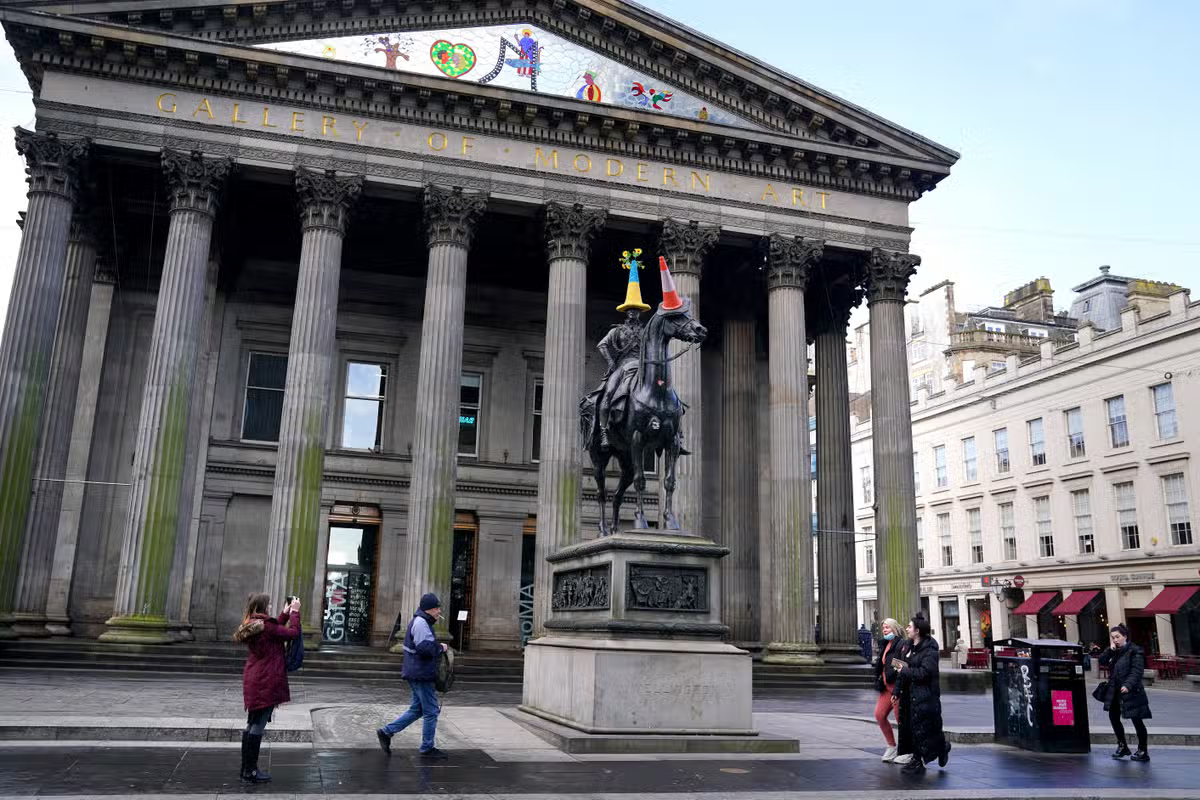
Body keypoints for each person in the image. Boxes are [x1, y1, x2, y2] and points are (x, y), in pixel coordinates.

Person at [233, 592, 301, 783]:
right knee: (259, 724)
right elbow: (292, 633)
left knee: (252, 723)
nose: (271, 607)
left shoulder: (253, 623)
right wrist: (295, 613)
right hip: (266, 680)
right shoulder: (267, 627)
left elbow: (273, 628)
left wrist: (285, 614)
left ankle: (246, 768)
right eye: (269, 605)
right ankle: (251, 770)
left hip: (255, 677)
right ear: (263, 607)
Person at [377, 593, 451, 759]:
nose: (439, 611)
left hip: (416, 672)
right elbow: (424, 648)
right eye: (437, 608)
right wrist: (440, 648)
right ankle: (427, 748)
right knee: (431, 711)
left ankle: (386, 732)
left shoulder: (421, 621)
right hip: (421, 674)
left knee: (417, 709)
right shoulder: (421, 623)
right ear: (429, 609)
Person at [892, 613, 951, 775]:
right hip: (909, 695)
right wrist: (896, 691)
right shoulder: (908, 646)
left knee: (922, 729)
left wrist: (905, 670)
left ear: (917, 630)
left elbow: (924, 673)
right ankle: (939, 749)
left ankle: (918, 760)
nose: (907, 629)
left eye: (909, 627)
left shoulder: (930, 650)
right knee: (912, 728)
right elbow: (901, 670)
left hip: (925, 696)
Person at [1097, 624, 1152, 761]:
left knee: (1137, 720)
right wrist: (1110, 650)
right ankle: (1122, 746)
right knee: (1113, 718)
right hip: (1115, 690)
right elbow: (1101, 660)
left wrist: (1128, 685)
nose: (1115, 640)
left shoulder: (1135, 651)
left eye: (1118, 637)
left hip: (1132, 691)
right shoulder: (1114, 651)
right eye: (1113, 637)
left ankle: (1142, 750)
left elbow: (1137, 671)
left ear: (1125, 636)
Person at [872, 617, 903, 762]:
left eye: (888, 627)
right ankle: (891, 746)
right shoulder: (886, 644)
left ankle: (906, 750)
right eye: (883, 627)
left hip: (896, 687)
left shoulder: (900, 644)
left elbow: (903, 666)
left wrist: (892, 671)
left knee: (900, 720)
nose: (885, 630)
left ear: (895, 628)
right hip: (886, 687)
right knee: (879, 715)